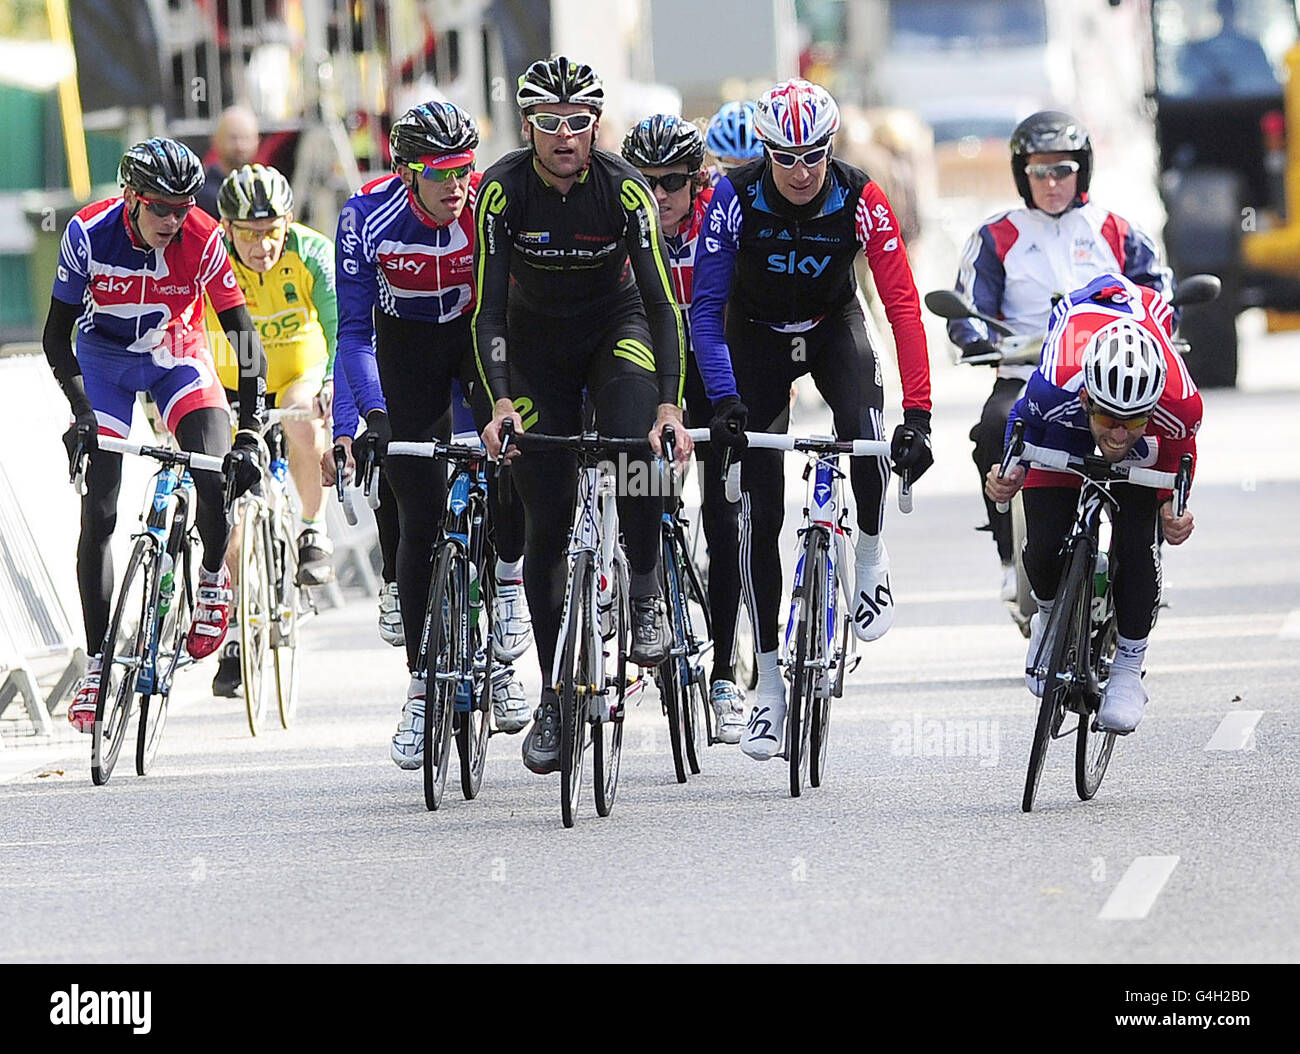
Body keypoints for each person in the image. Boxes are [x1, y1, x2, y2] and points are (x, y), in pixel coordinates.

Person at [690, 78, 934, 761]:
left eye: (813, 156)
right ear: (765, 151)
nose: (800, 171)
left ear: (832, 148)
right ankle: (767, 679)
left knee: (866, 431)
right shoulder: (732, 200)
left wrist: (920, 412)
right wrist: (724, 397)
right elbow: (704, 313)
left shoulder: (861, 197)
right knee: (757, 512)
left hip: (832, 327)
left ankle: (870, 556)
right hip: (755, 338)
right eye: (786, 157)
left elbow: (903, 308)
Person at [476, 56, 691, 776]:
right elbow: (487, 308)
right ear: (528, 126)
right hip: (535, 348)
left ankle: (648, 584)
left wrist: (669, 404)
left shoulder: (624, 189)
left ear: (595, 124)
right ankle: (553, 694)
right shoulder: (501, 191)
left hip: (614, 328)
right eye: (548, 123)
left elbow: (663, 302)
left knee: (637, 440)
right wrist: (501, 399)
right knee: (545, 517)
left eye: (577, 122)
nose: (564, 135)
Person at [43, 137, 267, 730]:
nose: (175, 218)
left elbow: (243, 337)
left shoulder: (202, 237)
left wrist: (250, 429)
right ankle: (97, 667)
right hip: (105, 365)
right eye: (162, 207)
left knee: (214, 468)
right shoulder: (88, 233)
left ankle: (214, 579)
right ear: (132, 199)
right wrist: (82, 412)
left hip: (177, 358)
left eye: (184, 205)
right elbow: (54, 339)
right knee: (101, 513)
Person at [335, 101, 531, 769]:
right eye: (441, 173)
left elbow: (522, 309)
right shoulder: (366, 218)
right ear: (406, 171)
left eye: (465, 170)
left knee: (510, 461)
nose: (457, 186)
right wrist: (375, 419)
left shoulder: (490, 208)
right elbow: (354, 336)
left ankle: (506, 592)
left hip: (479, 345)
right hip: (408, 354)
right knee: (418, 519)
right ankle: (422, 689)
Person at [948, 110, 1173, 604]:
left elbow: (1158, 294)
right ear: (1021, 175)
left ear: (1082, 171)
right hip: (1029, 376)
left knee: (1154, 439)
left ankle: (1146, 552)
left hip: (1110, 379)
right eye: (1039, 171)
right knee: (994, 428)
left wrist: (1162, 335)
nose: (1052, 183)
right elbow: (967, 308)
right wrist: (976, 339)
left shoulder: (1116, 230)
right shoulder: (995, 235)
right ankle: (1010, 558)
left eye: (1063, 170)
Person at [986, 273, 1201, 733]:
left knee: (1138, 543)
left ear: (1153, 406)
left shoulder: (1178, 404)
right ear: (1087, 398)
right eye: (1109, 417)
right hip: (1064, 430)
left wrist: (1173, 504)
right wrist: (1008, 474)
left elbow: (1182, 453)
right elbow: (1020, 433)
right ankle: (1046, 618)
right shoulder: (1055, 387)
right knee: (1042, 545)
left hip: (1152, 442)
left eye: (1133, 420)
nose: (1119, 434)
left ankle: (1127, 670)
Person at [621, 113, 746, 745]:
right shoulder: (618, 216)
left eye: (671, 182)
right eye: (644, 184)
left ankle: (724, 672)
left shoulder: (725, 209)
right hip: (649, 365)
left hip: (715, 364)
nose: (657, 197)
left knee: (723, 520)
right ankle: (639, 594)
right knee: (638, 484)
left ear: (697, 181)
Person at [206, 163, 338, 696]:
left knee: (303, 419)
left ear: (287, 224)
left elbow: (340, 325)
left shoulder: (310, 253)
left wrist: (333, 383)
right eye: (248, 234)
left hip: (295, 372)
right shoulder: (211, 258)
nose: (262, 246)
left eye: (271, 232)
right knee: (232, 509)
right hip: (232, 378)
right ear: (226, 228)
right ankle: (239, 627)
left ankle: (311, 528)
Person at [322, 354, 405, 647]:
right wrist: (343, 434)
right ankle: (394, 577)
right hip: (393, 387)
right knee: (385, 454)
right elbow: (351, 348)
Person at [196, 106, 260, 219]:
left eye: (246, 138)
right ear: (216, 140)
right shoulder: (203, 192)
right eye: (233, 138)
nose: (240, 146)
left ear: (257, 141)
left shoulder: (263, 188)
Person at [704, 100, 764, 184]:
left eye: (754, 169)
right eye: (731, 170)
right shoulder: (703, 185)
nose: (743, 180)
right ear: (715, 160)